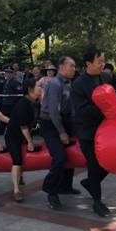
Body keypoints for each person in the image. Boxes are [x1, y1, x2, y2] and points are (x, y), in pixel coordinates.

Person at [72, 50, 112, 217]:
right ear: (88, 63)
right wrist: (104, 108)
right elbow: (81, 110)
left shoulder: (105, 78)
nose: (103, 64)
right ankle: (97, 202)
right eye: (99, 61)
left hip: (106, 129)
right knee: (94, 166)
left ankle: (90, 183)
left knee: (109, 163)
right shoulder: (79, 84)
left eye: (103, 61)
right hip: (88, 132)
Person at [40, 56, 79, 211]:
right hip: (50, 123)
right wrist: (62, 132)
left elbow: (71, 108)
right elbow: (53, 111)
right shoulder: (54, 84)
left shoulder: (68, 83)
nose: (74, 69)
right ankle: (51, 190)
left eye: (74, 66)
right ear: (62, 67)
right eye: (71, 66)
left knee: (70, 154)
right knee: (59, 157)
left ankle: (65, 186)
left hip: (64, 120)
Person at [5, 78, 41, 202]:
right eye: (38, 86)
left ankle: (20, 177)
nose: (40, 88)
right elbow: (23, 126)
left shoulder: (35, 102)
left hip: (23, 135)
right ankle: (16, 190)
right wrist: (30, 142)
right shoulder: (23, 104)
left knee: (23, 158)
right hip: (13, 137)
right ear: (30, 89)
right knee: (17, 161)